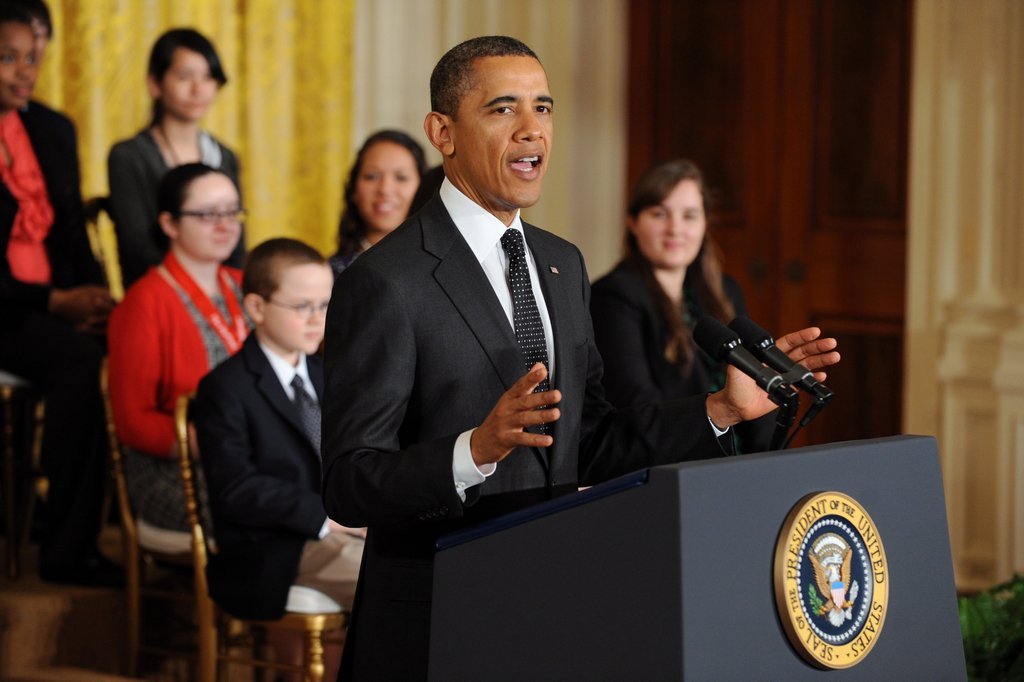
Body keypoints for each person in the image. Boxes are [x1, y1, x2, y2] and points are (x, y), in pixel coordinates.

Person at [321, 36, 839, 679]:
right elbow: (349, 483)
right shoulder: (385, 280)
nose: (531, 128)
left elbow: (590, 440)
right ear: (442, 132)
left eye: (543, 107)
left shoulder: (561, 264)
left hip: (554, 604)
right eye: (503, 109)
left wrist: (721, 409)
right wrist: (473, 451)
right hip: (438, 620)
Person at [194, 238, 362, 680]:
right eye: (302, 306)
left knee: (423, 563)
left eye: (325, 304)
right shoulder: (225, 388)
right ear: (256, 307)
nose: (317, 319)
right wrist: (328, 516)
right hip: (273, 546)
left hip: (339, 531)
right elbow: (236, 488)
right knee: (390, 579)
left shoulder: (326, 374)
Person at [0, 3, 119, 587]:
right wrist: (53, 302)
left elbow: (71, 228)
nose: (26, 72)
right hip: (9, 310)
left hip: (49, 302)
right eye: (8, 58)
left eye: (33, 58)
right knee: (79, 361)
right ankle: (68, 550)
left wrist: (93, 296)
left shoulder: (51, 128)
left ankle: (117, 519)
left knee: (126, 339)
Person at [591, 159, 774, 452]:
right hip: (668, 461)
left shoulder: (726, 290)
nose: (674, 229)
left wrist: (763, 462)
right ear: (633, 222)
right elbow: (637, 409)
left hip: (736, 461)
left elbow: (756, 386)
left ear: (705, 224)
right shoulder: (611, 297)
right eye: (659, 214)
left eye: (689, 216)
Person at [108, 163, 247, 535]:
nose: (226, 225)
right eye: (208, 215)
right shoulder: (144, 302)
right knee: (278, 506)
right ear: (169, 224)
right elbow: (133, 422)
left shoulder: (247, 286)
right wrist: (222, 444)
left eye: (232, 212)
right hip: (177, 471)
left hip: (251, 460)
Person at [108, 28, 243, 289]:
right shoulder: (130, 156)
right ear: (155, 84)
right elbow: (137, 248)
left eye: (208, 77)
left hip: (220, 291)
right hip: (157, 290)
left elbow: (236, 247)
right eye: (184, 77)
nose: (198, 89)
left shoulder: (225, 157)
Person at [328, 129, 426, 276]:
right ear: (354, 189)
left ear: (423, 187)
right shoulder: (327, 276)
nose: (385, 189)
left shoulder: (442, 268)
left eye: (401, 177)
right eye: (371, 176)